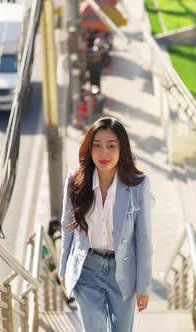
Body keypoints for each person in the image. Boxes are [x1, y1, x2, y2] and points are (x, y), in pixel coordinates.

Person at [59, 117, 153, 331]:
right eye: (97, 146)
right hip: (86, 268)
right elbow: (67, 227)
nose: (104, 154)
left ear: (122, 149)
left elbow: (144, 239)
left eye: (111, 146)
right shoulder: (75, 182)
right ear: (89, 149)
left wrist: (144, 286)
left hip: (123, 271)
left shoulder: (139, 185)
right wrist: (63, 268)